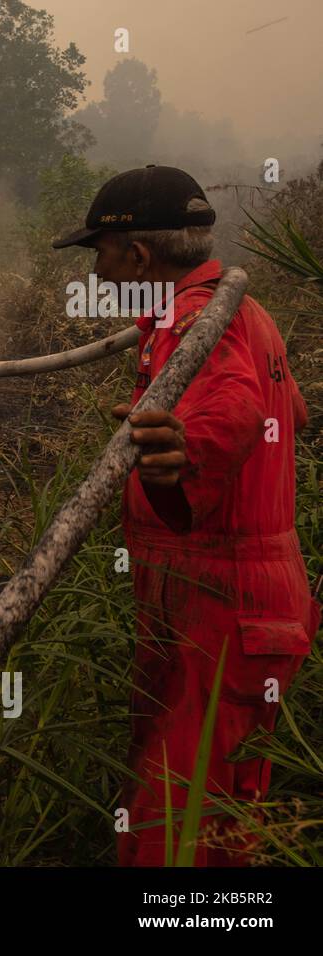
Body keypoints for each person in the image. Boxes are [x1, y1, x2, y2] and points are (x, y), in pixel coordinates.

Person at [53, 165, 320, 865]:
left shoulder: (208, 322)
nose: (100, 272)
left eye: (100, 254)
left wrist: (184, 450)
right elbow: (291, 410)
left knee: (173, 834)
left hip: (226, 612)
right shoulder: (214, 316)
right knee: (210, 826)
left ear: (138, 256)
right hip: (213, 607)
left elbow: (232, 408)